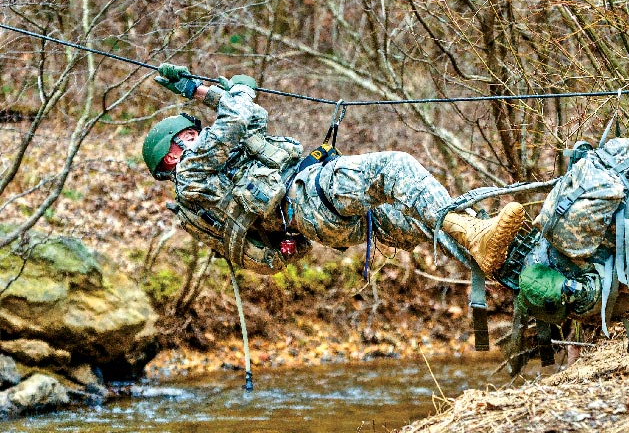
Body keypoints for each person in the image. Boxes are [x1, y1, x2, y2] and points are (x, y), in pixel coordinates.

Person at [142, 63, 526, 276]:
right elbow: (240, 112)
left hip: (318, 219)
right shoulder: (192, 171)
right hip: (307, 197)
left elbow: (252, 120)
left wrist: (211, 91)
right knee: (393, 168)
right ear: (172, 157)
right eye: (190, 134)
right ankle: (478, 234)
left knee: (423, 219)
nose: (201, 134)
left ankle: (516, 260)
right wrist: (214, 92)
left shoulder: (213, 169)